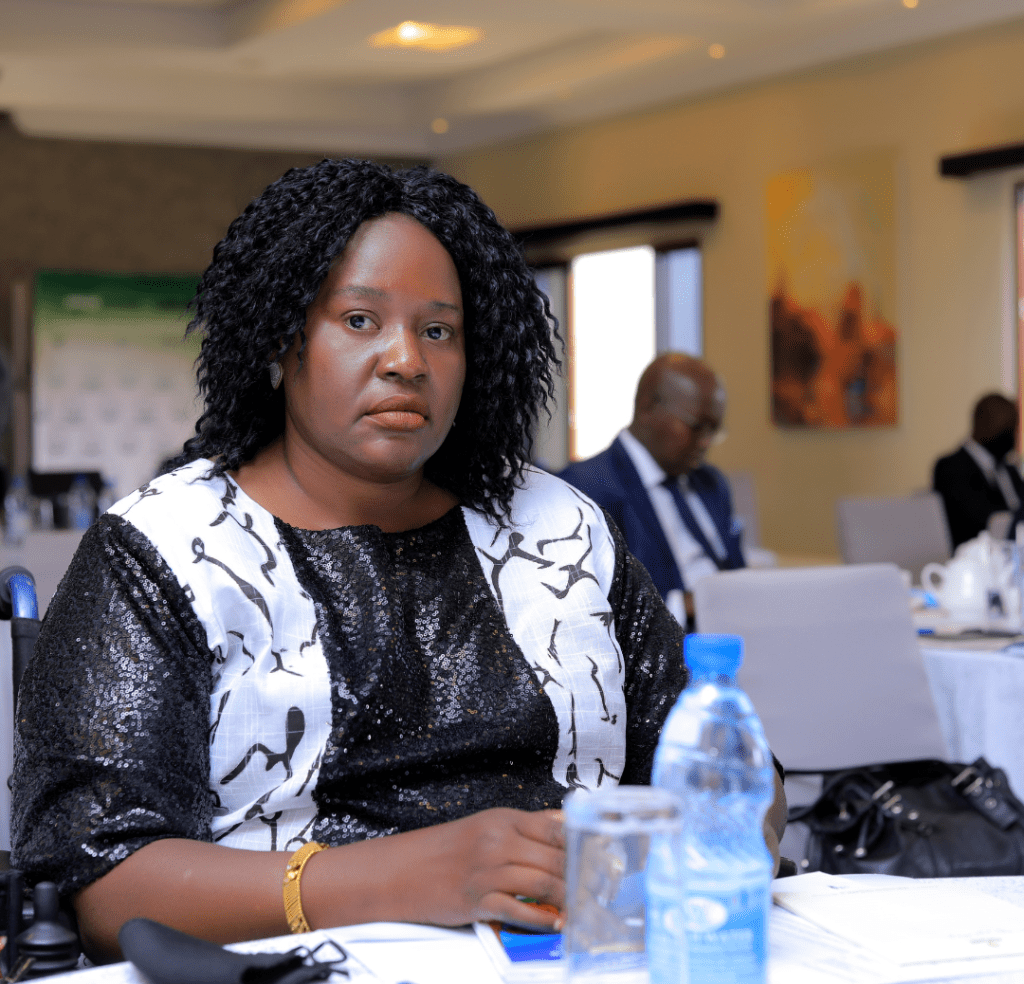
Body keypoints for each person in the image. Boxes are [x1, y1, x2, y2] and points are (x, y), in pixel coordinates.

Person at [11, 160, 787, 962]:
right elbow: (103, 882)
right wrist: (420, 875)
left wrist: (702, 847)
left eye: (438, 331)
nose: (406, 360)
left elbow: (739, 777)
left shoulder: (563, 529)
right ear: (281, 338)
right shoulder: (166, 548)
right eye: (359, 320)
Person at [557, 353, 744, 622]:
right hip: (665, 640)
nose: (706, 442)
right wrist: (690, 606)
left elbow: (738, 573)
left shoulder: (711, 483)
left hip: (737, 631)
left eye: (713, 430)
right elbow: (587, 607)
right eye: (697, 426)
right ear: (647, 409)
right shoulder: (586, 490)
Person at [933, 393, 1024, 549]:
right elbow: (974, 521)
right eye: (1003, 427)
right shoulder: (952, 468)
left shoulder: (1009, 470)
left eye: (1012, 428)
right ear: (982, 424)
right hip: (976, 557)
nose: (1010, 435)